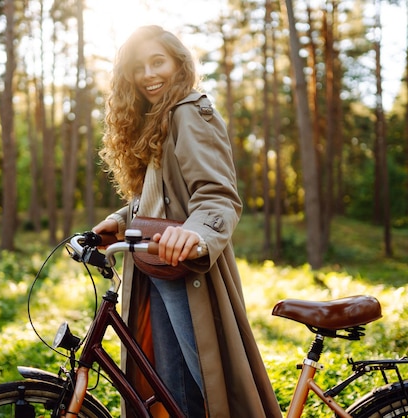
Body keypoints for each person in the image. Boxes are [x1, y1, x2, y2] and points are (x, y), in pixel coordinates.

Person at [92, 25, 282, 418]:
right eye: (138, 67)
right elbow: (157, 198)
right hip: (159, 270)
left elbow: (218, 195)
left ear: (178, 63)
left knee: (214, 391)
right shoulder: (158, 121)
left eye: (157, 61)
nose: (148, 74)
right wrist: (117, 221)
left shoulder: (190, 112)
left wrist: (194, 233)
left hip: (187, 272)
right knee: (176, 394)